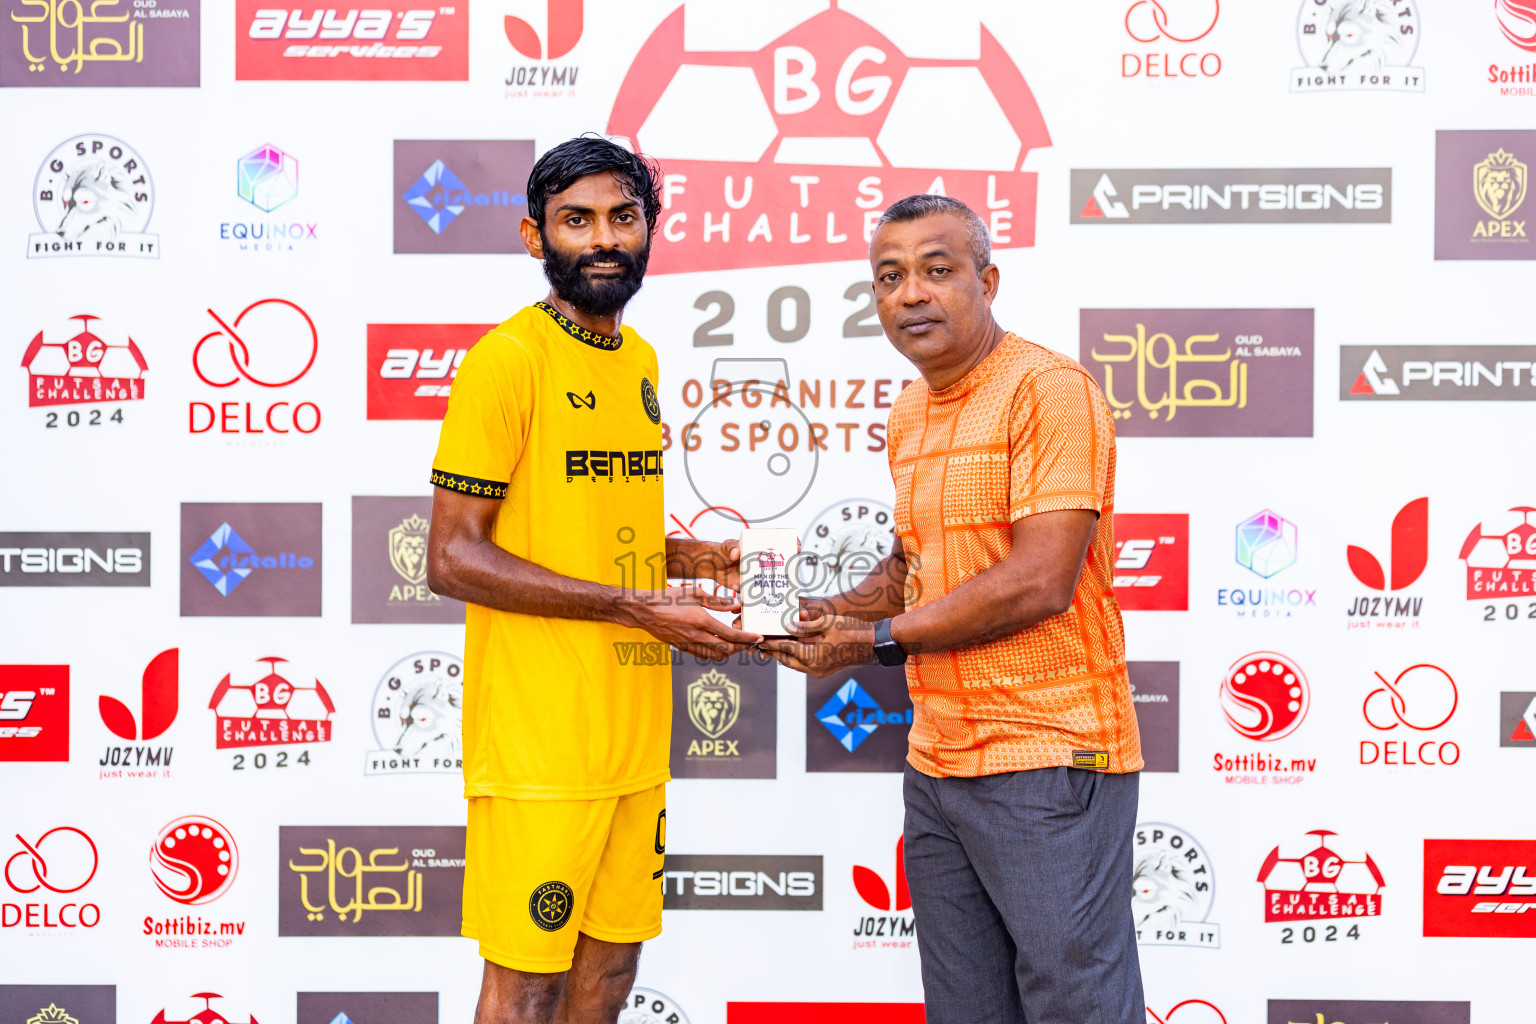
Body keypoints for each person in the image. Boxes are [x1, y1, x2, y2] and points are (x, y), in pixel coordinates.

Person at [762, 194, 1144, 1024]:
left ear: (988, 280)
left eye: (938, 270)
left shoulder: (1050, 391)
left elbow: (1038, 579)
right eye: (889, 277)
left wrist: (873, 639)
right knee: (966, 1009)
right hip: (939, 762)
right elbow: (914, 565)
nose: (911, 295)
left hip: (1048, 758)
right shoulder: (909, 412)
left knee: (1076, 1007)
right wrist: (811, 616)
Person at [425, 136, 759, 1024]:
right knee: (526, 984)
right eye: (577, 220)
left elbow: (589, 528)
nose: (604, 238)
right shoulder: (508, 360)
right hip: (540, 748)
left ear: (652, 229)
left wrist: (688, 562)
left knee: (609, 976)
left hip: (634, 740)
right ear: (536, 238)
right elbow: (451, 556)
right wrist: (629, 604)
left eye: (624, 216)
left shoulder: (640, 360)